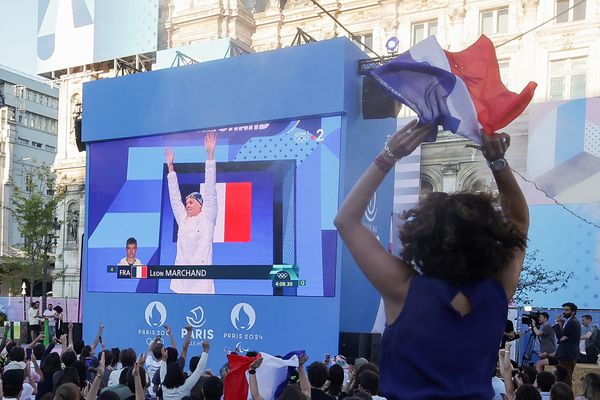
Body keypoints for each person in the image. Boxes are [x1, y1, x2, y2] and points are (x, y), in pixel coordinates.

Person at [334, 121, 529, 399]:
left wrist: (389, 155)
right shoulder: (497, 292)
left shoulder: (403, 289)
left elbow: (346, 220)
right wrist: (497, 162)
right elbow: (519, 222)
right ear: (490, 240)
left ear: (422, 238)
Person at [164, 131, 218, 294]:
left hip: (202, 286)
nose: (186, 205)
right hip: (180, 285)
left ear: (201, 205)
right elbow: (174, 197)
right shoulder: (183, 219)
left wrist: (210, 154)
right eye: (186, 202)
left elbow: (210, 188)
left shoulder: (208, 217)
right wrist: (171, 167)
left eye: (191, 202)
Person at [555, 302, 582, 387]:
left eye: (567, 310)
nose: (564, 312)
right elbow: (561, 338)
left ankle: (566, 396)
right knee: (565, 378)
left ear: (573, 312)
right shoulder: (569, 321)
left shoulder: (573, 322)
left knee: (566, 378)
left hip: (567, 354)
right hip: (567, 354)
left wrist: (557, 323)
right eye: (564, 310)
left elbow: (560, 336)